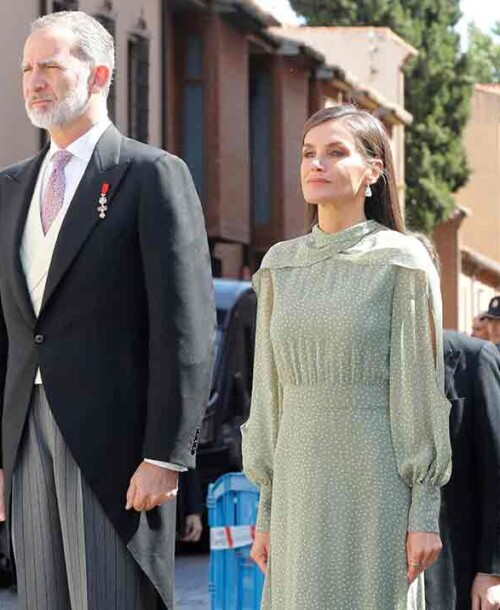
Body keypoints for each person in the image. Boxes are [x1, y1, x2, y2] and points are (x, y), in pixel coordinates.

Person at [0, 11, 215, 610]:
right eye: (25, 68)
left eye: (49, 65)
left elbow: (187, 328)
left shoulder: (150, 175)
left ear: (98, 75)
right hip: (24, 436)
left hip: (116, 445)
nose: (33, 80)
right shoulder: (9, 189)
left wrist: (165, 454)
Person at [241, 104, 452, 610]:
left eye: (336, 153)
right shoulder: (278, 266)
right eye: (309, 153)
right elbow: (268, 397)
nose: (317, 165)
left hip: (375, 488)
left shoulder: (401, 261)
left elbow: (419, 392)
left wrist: (423, 511)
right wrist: (267, 512)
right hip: (296, 490)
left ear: (374, 171)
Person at [411, 233, 500, 609]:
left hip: (456, 570)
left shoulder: (474, 359)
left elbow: (496, 469)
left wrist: (492, 571)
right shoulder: (364, 369)